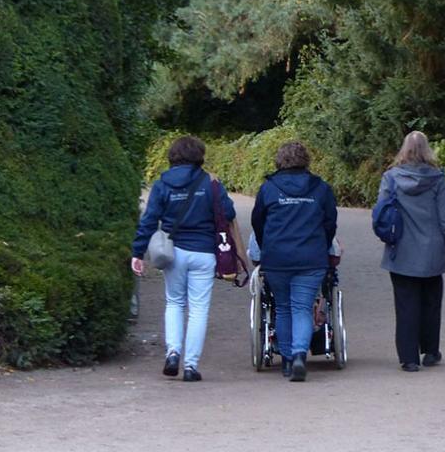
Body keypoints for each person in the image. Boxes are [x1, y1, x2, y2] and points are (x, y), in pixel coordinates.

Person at [131, 136, 236, 382]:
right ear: (199, 156)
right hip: (204, 252)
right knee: (198, 309)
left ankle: (173, 353)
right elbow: (228, 212)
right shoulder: (210, 183)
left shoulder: (162, 184)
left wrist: (138, 252)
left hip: (173, 252)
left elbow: (149, 220)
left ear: (173, 156)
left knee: (174, 302)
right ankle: (190, 366)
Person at [378, 131, 445, 372]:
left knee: (405, 305)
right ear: (427, 150)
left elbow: (381, 211)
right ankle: (430, 351)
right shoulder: (437, 178)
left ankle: (409, 358)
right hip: (432, 252)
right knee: (431, 303)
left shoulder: (391, 178)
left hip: (401, 250)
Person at [251, 142, 338, 382]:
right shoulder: (320, 188)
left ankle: (288, 360)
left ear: (279, 160)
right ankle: (300, 354)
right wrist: (321, 244)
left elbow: (258, 222)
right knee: (302, 307)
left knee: (283, 307)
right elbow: (330, 222)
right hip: (311, 258)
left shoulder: (268, 189)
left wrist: (266, 245)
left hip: (277, 258)